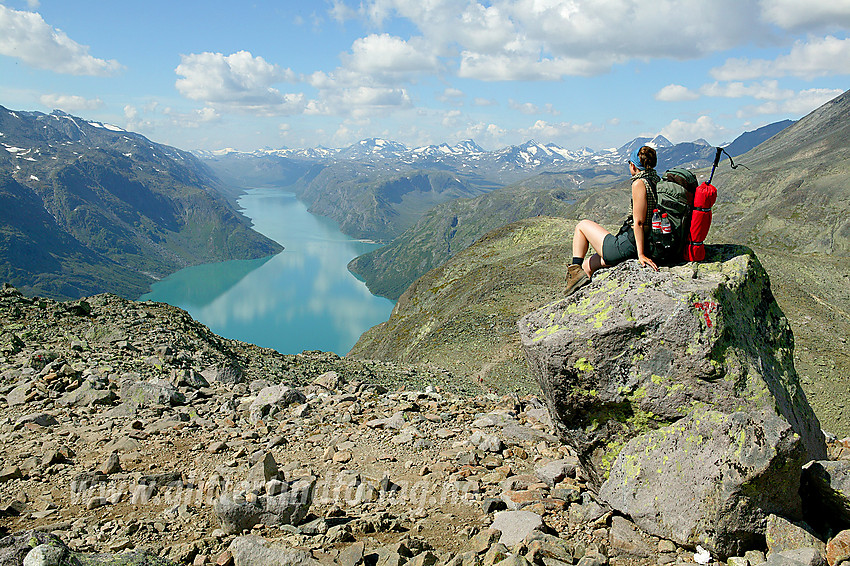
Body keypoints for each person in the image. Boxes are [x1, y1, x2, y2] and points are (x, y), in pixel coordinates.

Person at [564, 145, 661, 295]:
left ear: (633, 165)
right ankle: (581, 293)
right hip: (648, 243)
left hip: (628, 246)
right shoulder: (656, 180)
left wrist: (640, 255)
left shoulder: (639, 183)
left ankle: (573, 272)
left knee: (582, 226)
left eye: (629, 163)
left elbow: (639, 222)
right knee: (587, 266)